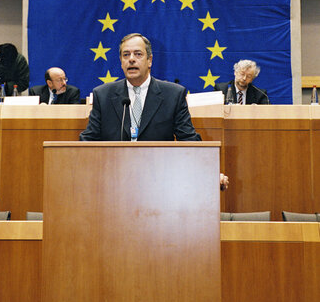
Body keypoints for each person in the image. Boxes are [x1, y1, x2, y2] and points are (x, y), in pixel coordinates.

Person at [80, 33, 228, 189]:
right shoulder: (103, 95)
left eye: (138, 54)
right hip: (113, 179)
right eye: (126, 55)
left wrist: (209, 172)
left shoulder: (173, 94)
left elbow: (189, 140)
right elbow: (88, 140)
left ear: (149, 60)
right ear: (121, 62)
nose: (131, 59)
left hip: (159, 181)